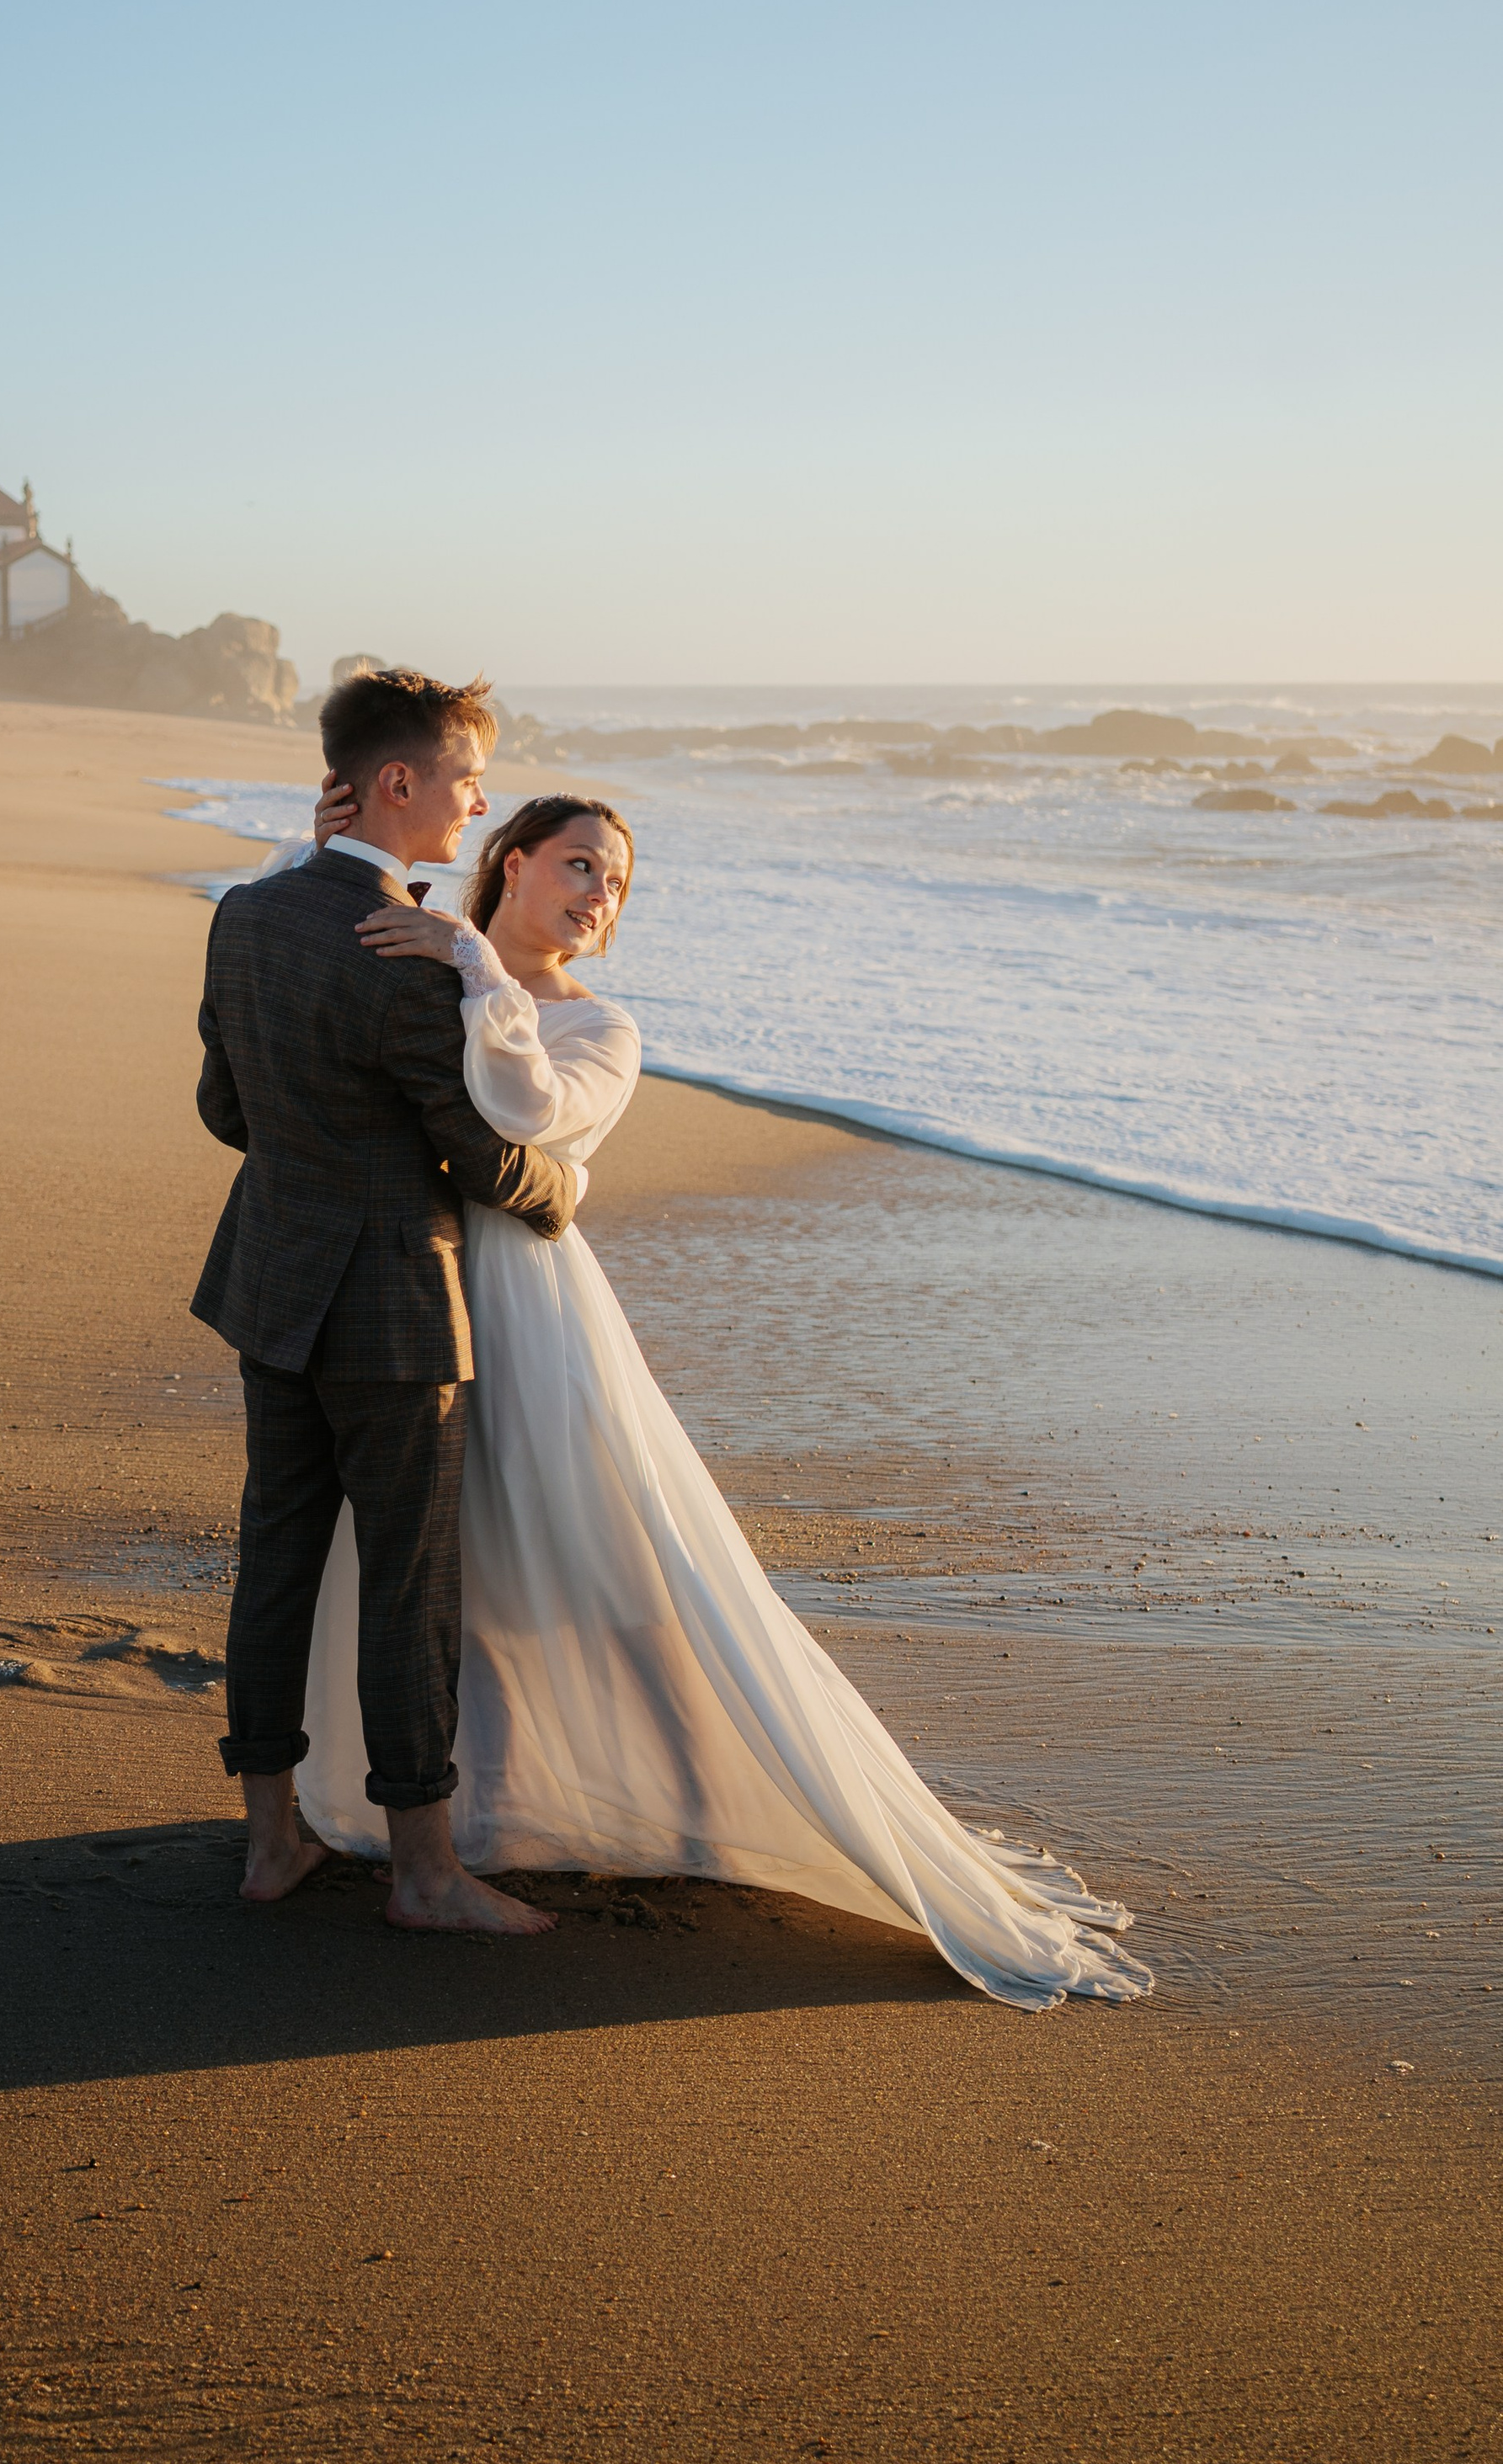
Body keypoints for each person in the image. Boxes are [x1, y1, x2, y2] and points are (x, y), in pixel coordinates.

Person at [270, 776, 1151, 2014]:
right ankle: (454, 1814)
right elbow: (324, 1015)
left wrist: (470, 957)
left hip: (529, 1308)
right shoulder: (422, 957)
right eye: (579, 864)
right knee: (430, 1567)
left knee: (613, 1563)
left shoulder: (597, 1025)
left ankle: (695, 1793)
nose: (598, 895)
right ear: (512, 858)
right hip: (407, 1294)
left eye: (615, 882)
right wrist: (335, 860)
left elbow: (522, 1110)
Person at [191, 668, 578, 1934]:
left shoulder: (242, 915)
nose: (481, 800)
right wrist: (558, 1186)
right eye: (468, 777)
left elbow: (224, 1111)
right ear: (398, 783)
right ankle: (424, 1870)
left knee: (276, 1558)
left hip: (270, 1286)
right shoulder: (403, 956)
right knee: (412, 1589)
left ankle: (268, 1843)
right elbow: (472, 1151)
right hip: (395, 1316)